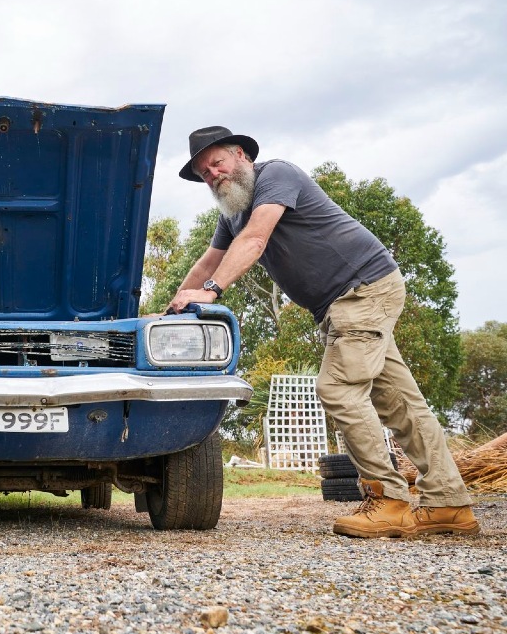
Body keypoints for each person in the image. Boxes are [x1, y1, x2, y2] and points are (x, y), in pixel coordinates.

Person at [167, 126, 479, 538]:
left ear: (241, 155)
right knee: (400, 403)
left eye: (217, 162)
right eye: (204, 173)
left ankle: (389, 501)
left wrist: (210, 293)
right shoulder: (233, 215)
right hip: (349, 300)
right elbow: (207, 262)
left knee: (338, 389)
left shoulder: (276, 175)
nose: (213, 175)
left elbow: (256, 240)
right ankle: (450, 504)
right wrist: (170, 308)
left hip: (361, 290)